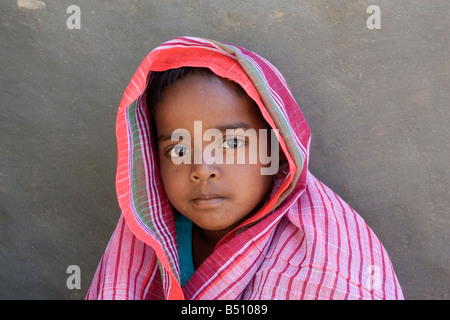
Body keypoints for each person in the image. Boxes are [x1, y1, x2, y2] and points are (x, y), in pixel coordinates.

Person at [86, 37, 403, 300]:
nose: (202, 169)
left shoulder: (330, 266)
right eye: (178, 150)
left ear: (279, 153)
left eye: (232, 143)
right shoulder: (145, 244)